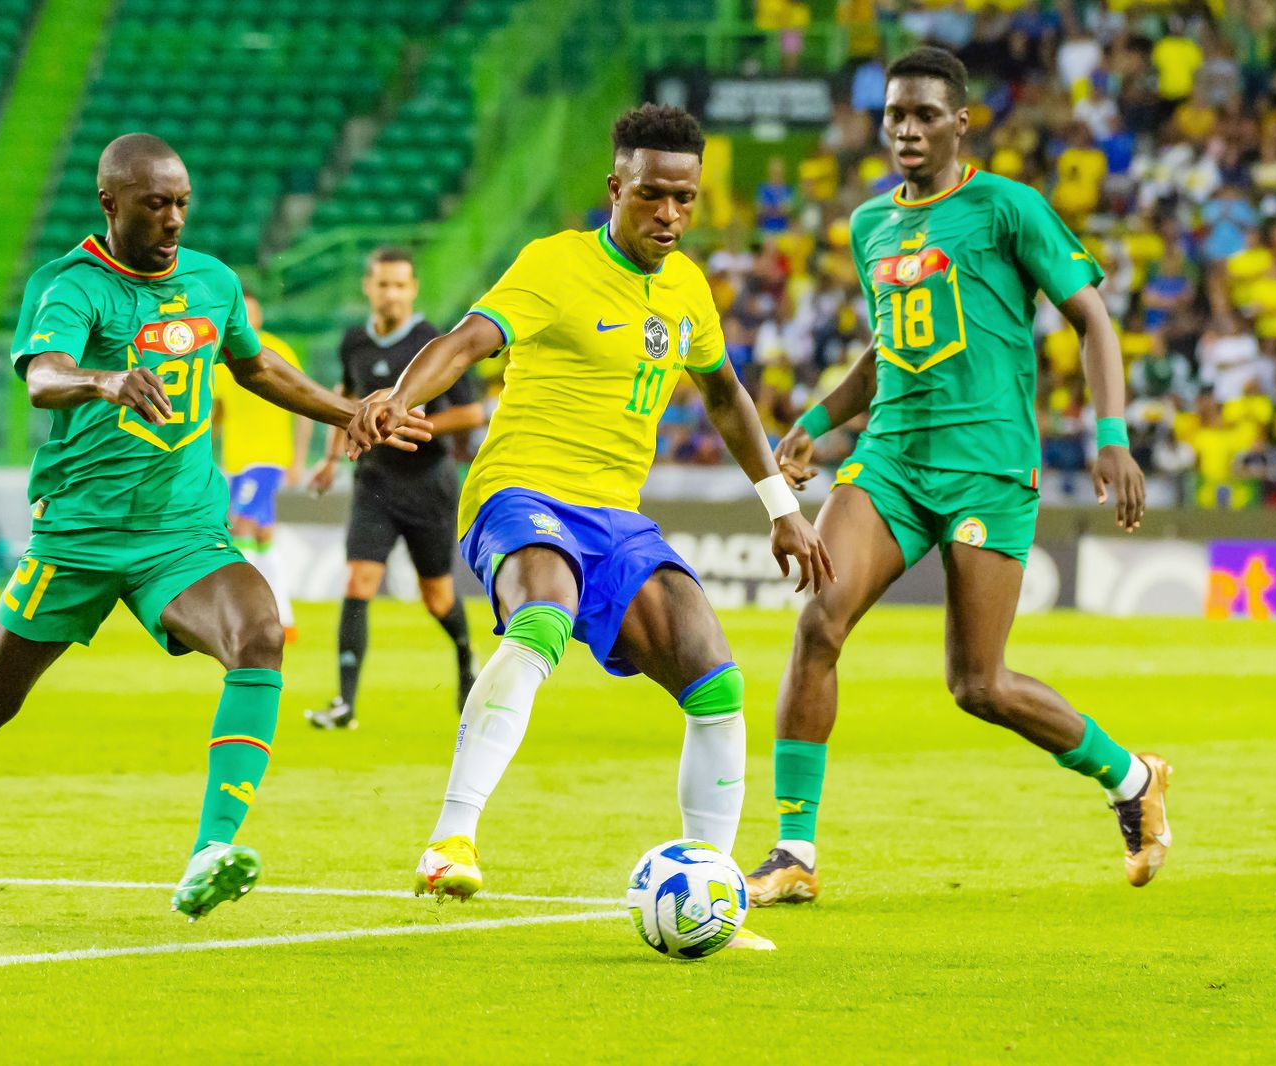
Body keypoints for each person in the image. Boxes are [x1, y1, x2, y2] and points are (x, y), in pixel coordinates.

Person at [0, 133, 429, 926]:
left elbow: (257, 368)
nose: (172, 220)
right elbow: (43, 375)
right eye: (155, 204)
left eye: (181, 204)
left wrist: (355, 411)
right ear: (110, 203)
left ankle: (210, 853)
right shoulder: (72, 285)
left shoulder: (212, 282)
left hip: (180, 533)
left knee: (259, 630)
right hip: (79, 539)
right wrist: (104, 380)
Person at [349, 104, 833, 952]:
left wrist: (783, 507)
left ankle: (711, 892)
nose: (670, 216)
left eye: (685, 200)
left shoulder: (687, 289)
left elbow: (724, 395)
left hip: (616, 516)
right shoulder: (555, 265)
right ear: (616, 188)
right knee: (543, 612)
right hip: (520, 491)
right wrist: (399, 399)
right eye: (652, 196)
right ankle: (450, 840)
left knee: (715, 678)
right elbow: (468, 341)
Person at [745, 48, 1172, 908]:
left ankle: (1131, 777)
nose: (907, 128)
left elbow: (1093, 320)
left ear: (960, 122)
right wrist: (816, 426)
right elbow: (885, 350)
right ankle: (793, 852)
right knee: (820, 622)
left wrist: (1113, 436)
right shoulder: (871, 225)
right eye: (896, 113)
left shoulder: (1008, 207)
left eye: (926, 115)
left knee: (979, 685)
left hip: (988, 470)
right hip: (892, 460)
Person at [305, 247, 485, 729]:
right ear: (368, 286)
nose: (392, 294)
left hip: (429, 485)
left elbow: (472, 413)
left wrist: (410, 422)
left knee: (438, 598)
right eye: (383, 284)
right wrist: (327, 460)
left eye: (400, 285)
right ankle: (344, 704)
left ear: (413, 290)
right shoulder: (354, 342)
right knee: (358, 582)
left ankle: (468, 659)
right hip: (374, 484)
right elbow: (342, 403)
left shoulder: (435, 342)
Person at [211, 293, 311, 639]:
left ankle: (251, 618)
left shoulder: (276, 350)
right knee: (264, 537)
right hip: (236, 461)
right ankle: (284, 617)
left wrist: (298, 459)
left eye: (250, 311)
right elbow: (217, 412)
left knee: (240, 529)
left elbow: (304, 402)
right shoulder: (221, 358)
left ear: (260, 315)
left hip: (267, 458)